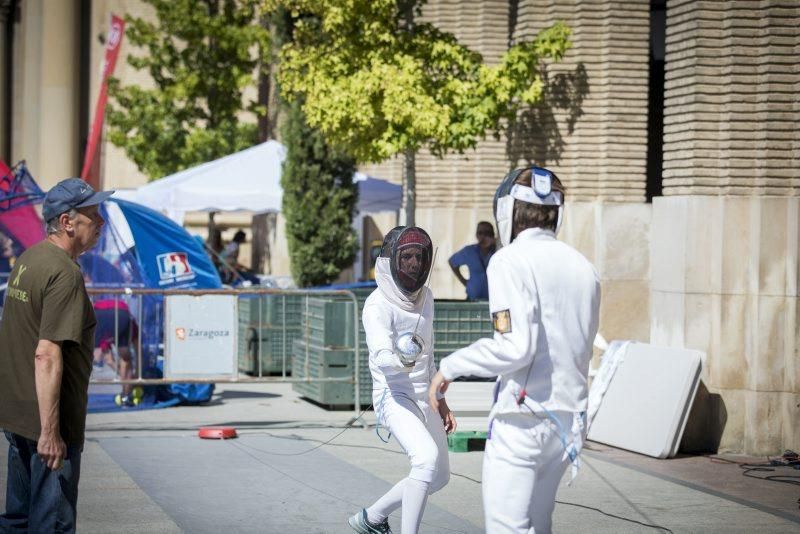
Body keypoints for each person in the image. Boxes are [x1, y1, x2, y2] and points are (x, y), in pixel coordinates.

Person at [430, 167, 601, 533]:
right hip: (568, 423)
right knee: (540, 526)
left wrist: (448, 368)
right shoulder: (585, 267)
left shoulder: (508, 260)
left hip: (521, 421)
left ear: (507, 212)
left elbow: (514, 347)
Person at [0, 178, 112, 532]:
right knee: (50, 524)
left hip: (18, 415)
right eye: (92, 215)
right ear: (67, 222)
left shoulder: (30, 258)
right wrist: (51, 432)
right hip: (48, 425)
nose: (100, 223)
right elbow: (46, 354)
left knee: (18, 520)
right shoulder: (64, 273)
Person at [349, 226, 455, 534]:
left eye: (418, 257)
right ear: (390, 261)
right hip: (394, 396)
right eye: (406, 256)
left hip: (426, 397)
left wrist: (442, 402)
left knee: (439, 476)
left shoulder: (427, 297)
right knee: (425, 460)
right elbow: (382, 355)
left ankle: (372, 517)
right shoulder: (376, 305)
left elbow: (429, 356)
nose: (413, 264)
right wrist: (401, 360)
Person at [448, 221, 496, 300]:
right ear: (476, 235)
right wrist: (464, 281)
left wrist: (496, 243)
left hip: (493, 300)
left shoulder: (498, 252)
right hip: (473, 299)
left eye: (487, 233)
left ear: (492, 235)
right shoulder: (469, 251)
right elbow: (452, 262)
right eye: (480, 233)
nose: (483, 236)